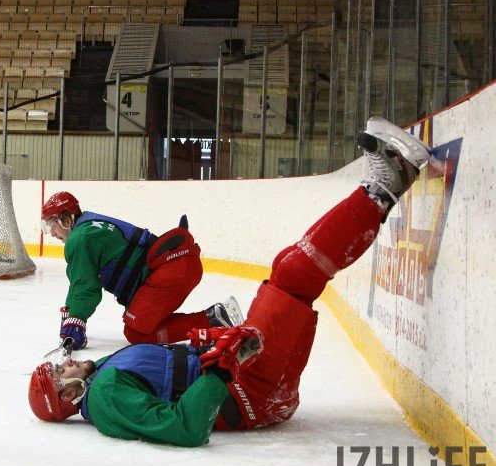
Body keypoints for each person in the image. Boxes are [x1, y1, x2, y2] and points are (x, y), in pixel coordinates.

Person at [28, 116, 432, 446]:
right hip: (249, 390)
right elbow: (185, 427)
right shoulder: (105, 398)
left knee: (288, 275)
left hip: (243, 377)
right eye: (58, 372)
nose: (63, 363)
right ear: (67, 396)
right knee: (291, 276)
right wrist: (220, 366)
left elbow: (164, 369)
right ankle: (384, 185)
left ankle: (380, 190)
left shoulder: (100, 379)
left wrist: (208, 349)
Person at [40, 191, 243, 348]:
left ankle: (213, 319)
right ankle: (212, 318)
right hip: (175, 265)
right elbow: (79, 280)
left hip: (172, 269)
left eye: (51, 225)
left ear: (66, 220)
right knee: (142, 321)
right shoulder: (88, 226)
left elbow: (86, 286)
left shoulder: (78, 238)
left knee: (137, 332)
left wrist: (76, 319)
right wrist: (71, 313)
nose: (51, 233)